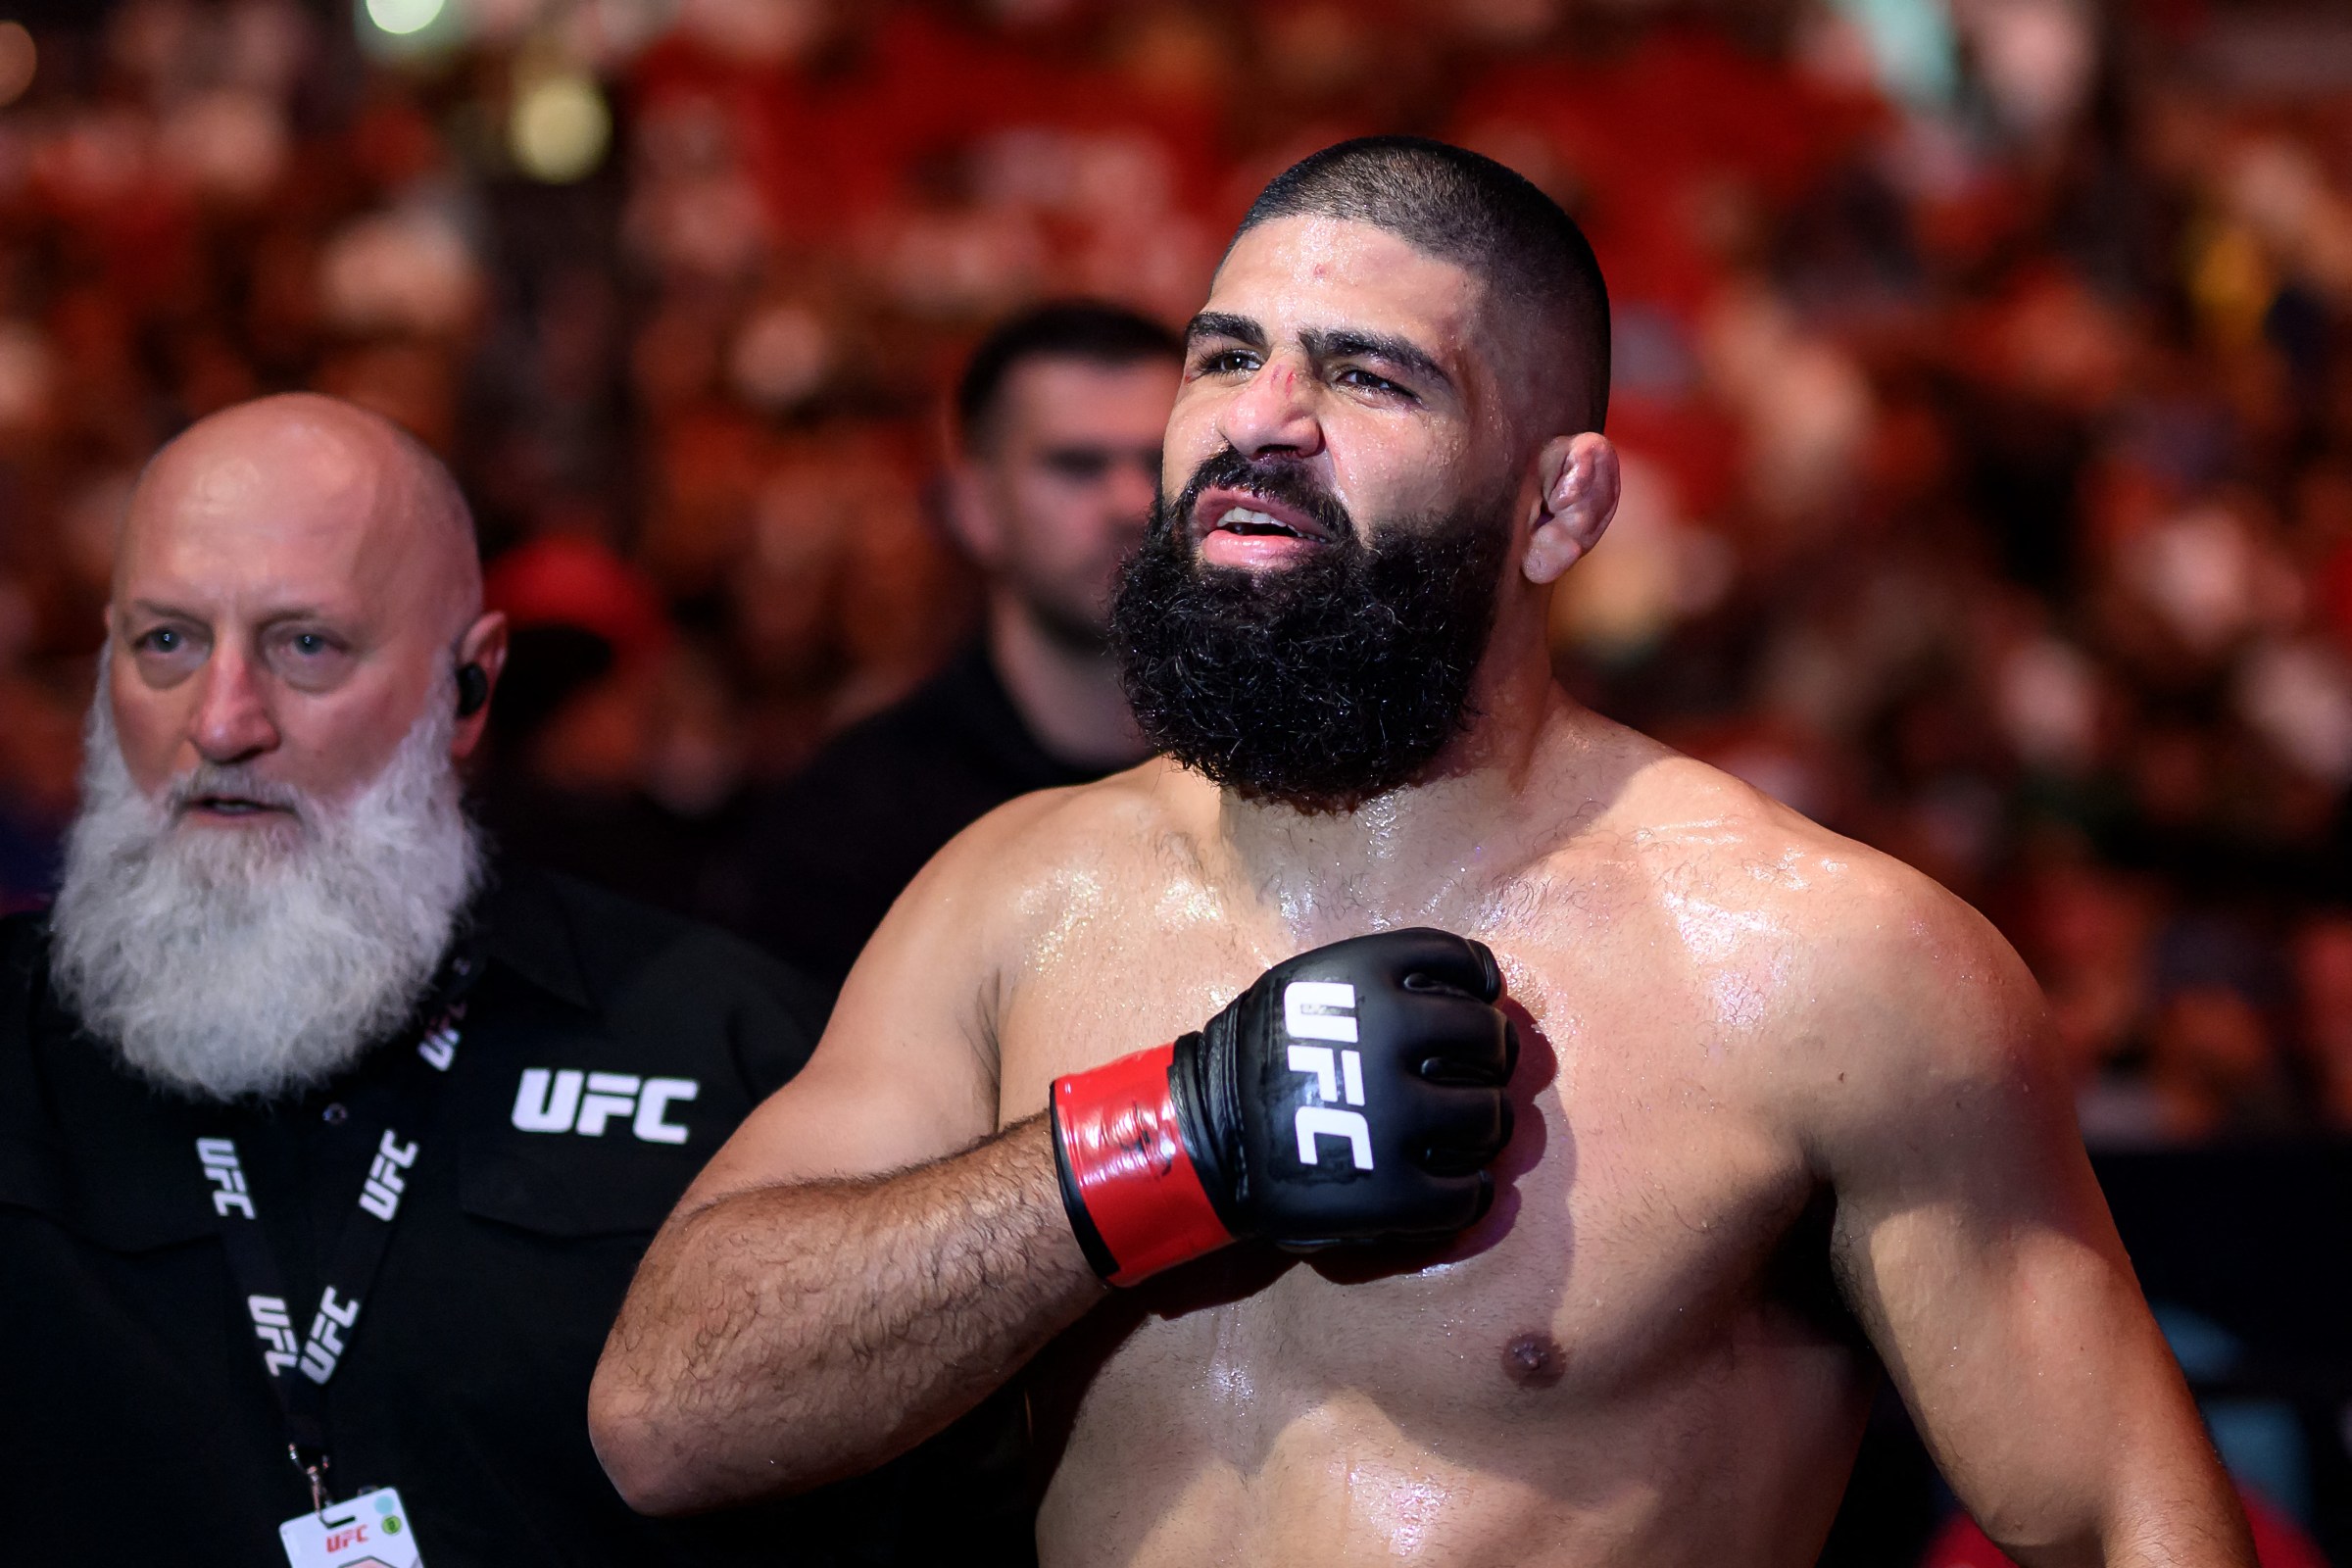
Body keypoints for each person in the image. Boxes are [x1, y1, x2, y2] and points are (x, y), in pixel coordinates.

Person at [591, 139, 2253, 1566]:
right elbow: (672, 1414)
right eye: (1224, 356)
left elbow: (2123, 1523)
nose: (1265, 422)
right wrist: (1162, 1146)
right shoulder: (1020, 892)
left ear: (1563, 507)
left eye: (1370, 376)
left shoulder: (1825, 963)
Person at [0, 394, 871, 1567]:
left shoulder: (720, 1045)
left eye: (306, 644)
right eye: (166, 642)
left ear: (468, 687)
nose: (221, 719)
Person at [703, 302, 1177, 985]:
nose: (1131, 503)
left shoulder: (1279, 781)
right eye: (1077, 466)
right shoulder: (855, 822)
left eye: (1161, 462)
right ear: (973, 508)